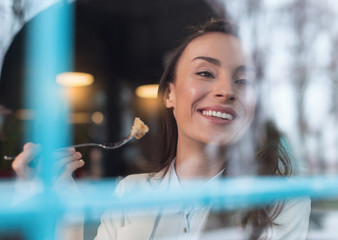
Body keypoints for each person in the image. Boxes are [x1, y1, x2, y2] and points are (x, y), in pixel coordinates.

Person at [12, 19, 310, 239]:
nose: (226, 91)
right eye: (206, 72)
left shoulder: (282, 199)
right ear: (169, 94)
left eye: (244, 81)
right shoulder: (129, 192)